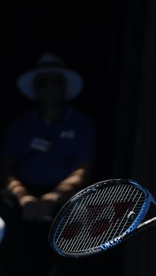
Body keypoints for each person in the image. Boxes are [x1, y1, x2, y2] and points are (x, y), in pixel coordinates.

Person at [0, 52, 97, 276]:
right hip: (22, 195)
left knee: (83, 219)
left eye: (56, 82)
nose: (50, 88)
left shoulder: (82, 124)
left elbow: (83, 170)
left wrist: (52, 199)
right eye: (44, 82)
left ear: (65, 87)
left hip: (64, 197)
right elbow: (6, 167)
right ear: (36, 88)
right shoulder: (20, 124)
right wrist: (23, 197)